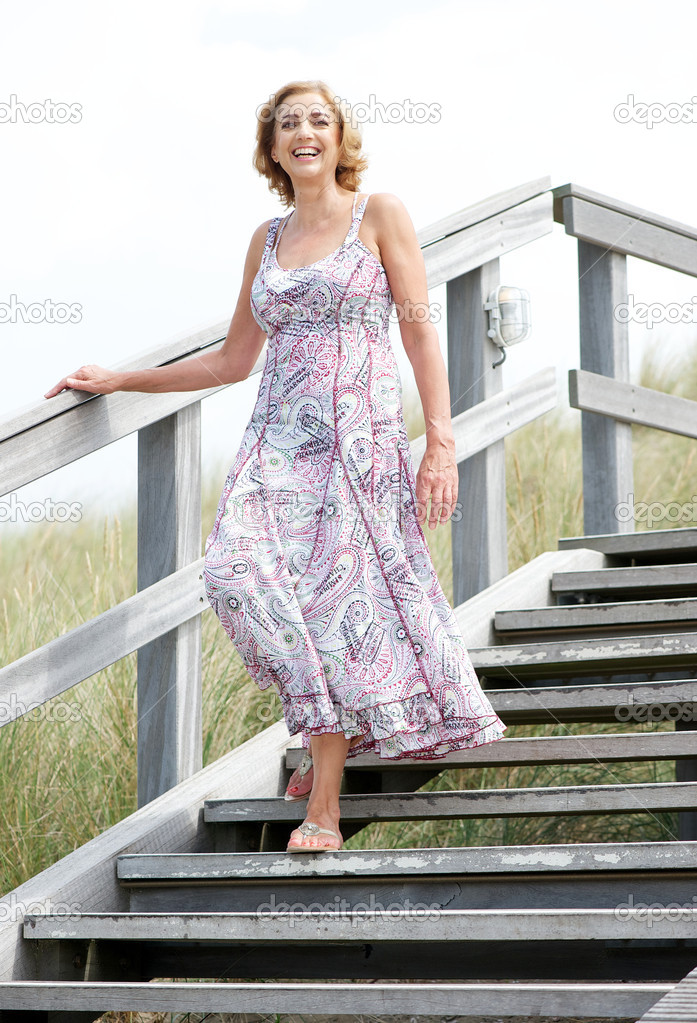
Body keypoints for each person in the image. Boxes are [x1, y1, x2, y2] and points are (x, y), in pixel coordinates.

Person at [44, 79, 507, 854]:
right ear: (271, 147)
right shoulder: (265, 238)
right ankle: (333, 724)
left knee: (330, 608)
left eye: (317, 120)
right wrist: (123, 378)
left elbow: (421, 333)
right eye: (288, 123)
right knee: (232, 574)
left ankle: (322, 803)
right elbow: (231, 360)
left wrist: (440, 441)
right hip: (275, 452)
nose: (304, 132)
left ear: (337, 138)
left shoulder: (380, 214)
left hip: (356, 449)